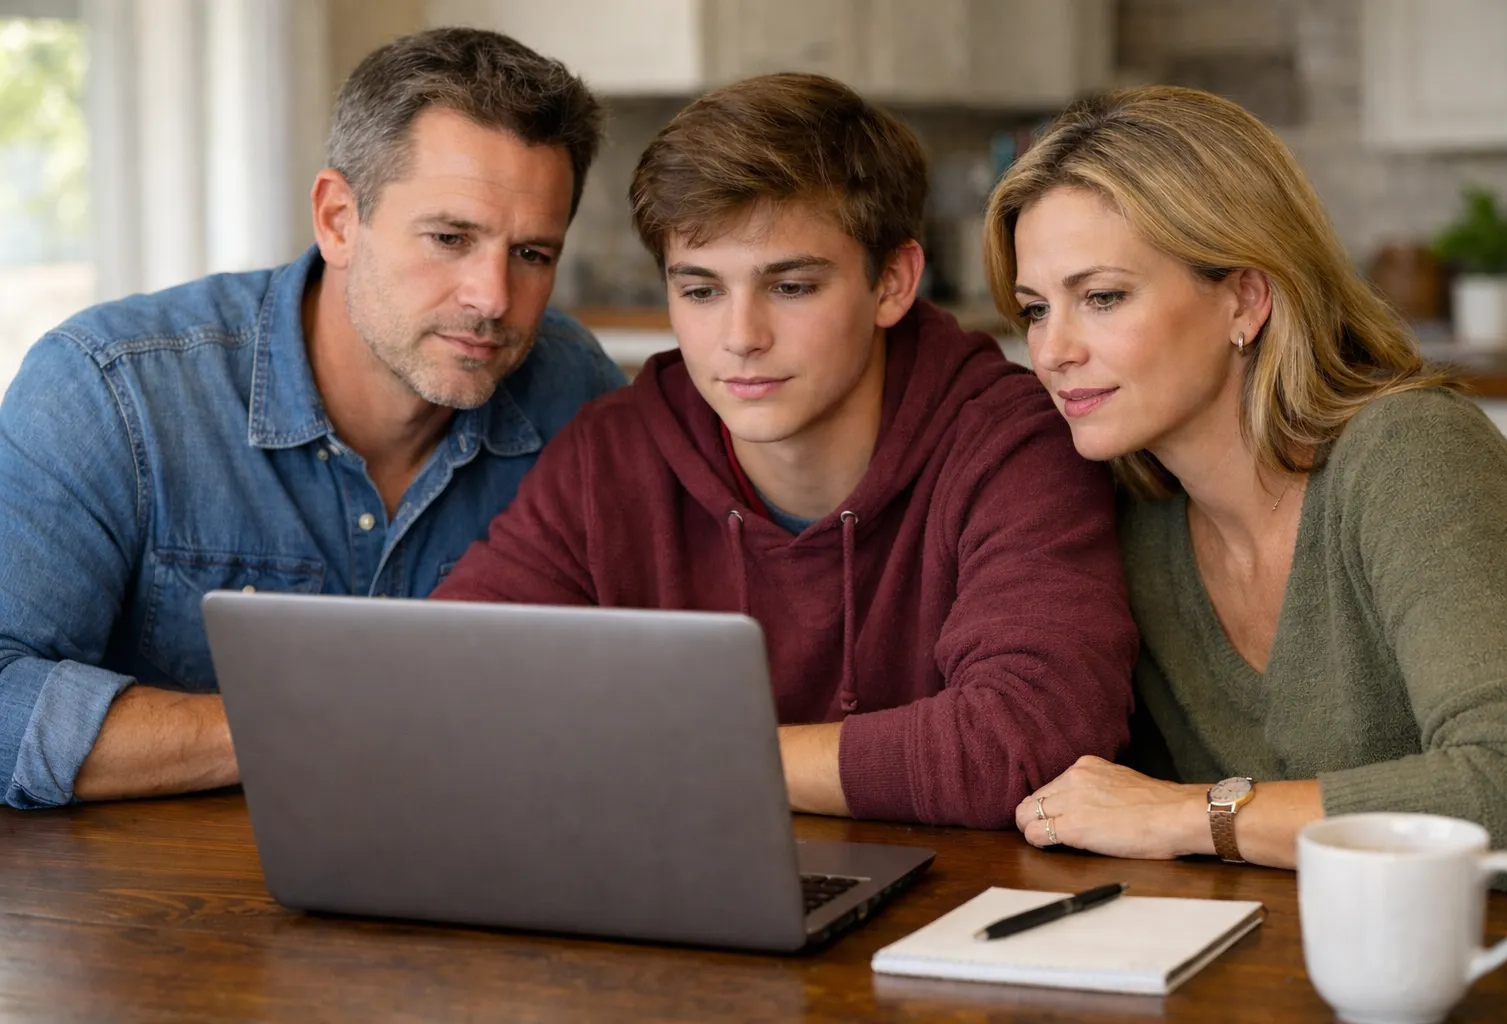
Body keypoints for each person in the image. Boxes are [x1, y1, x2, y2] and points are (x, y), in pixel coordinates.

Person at [433, 73, 1138, 829]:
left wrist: (690, 757)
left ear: (894, 282)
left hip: (958, 918)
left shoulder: (1010, 446)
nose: (741, 337)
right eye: (701, 291)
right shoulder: (614, 453)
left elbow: (1032, 741)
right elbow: (446, 686)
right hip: (681, 895)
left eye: (792, 286)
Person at [0, 28, 626, 809]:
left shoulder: (578, 393)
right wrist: (330, 724)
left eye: (532, 254)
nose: (492, 298)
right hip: (164, 908)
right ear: (337, 218)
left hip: (475, 885)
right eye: (450, 238)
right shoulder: (110, 389)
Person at [985, 85, 1507, 866]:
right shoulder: (1125, 512)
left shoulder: (1412, 455)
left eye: (1102, 297)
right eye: (1036, 309)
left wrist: (1190, 817)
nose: (1051, 351)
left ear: (1245, 299)